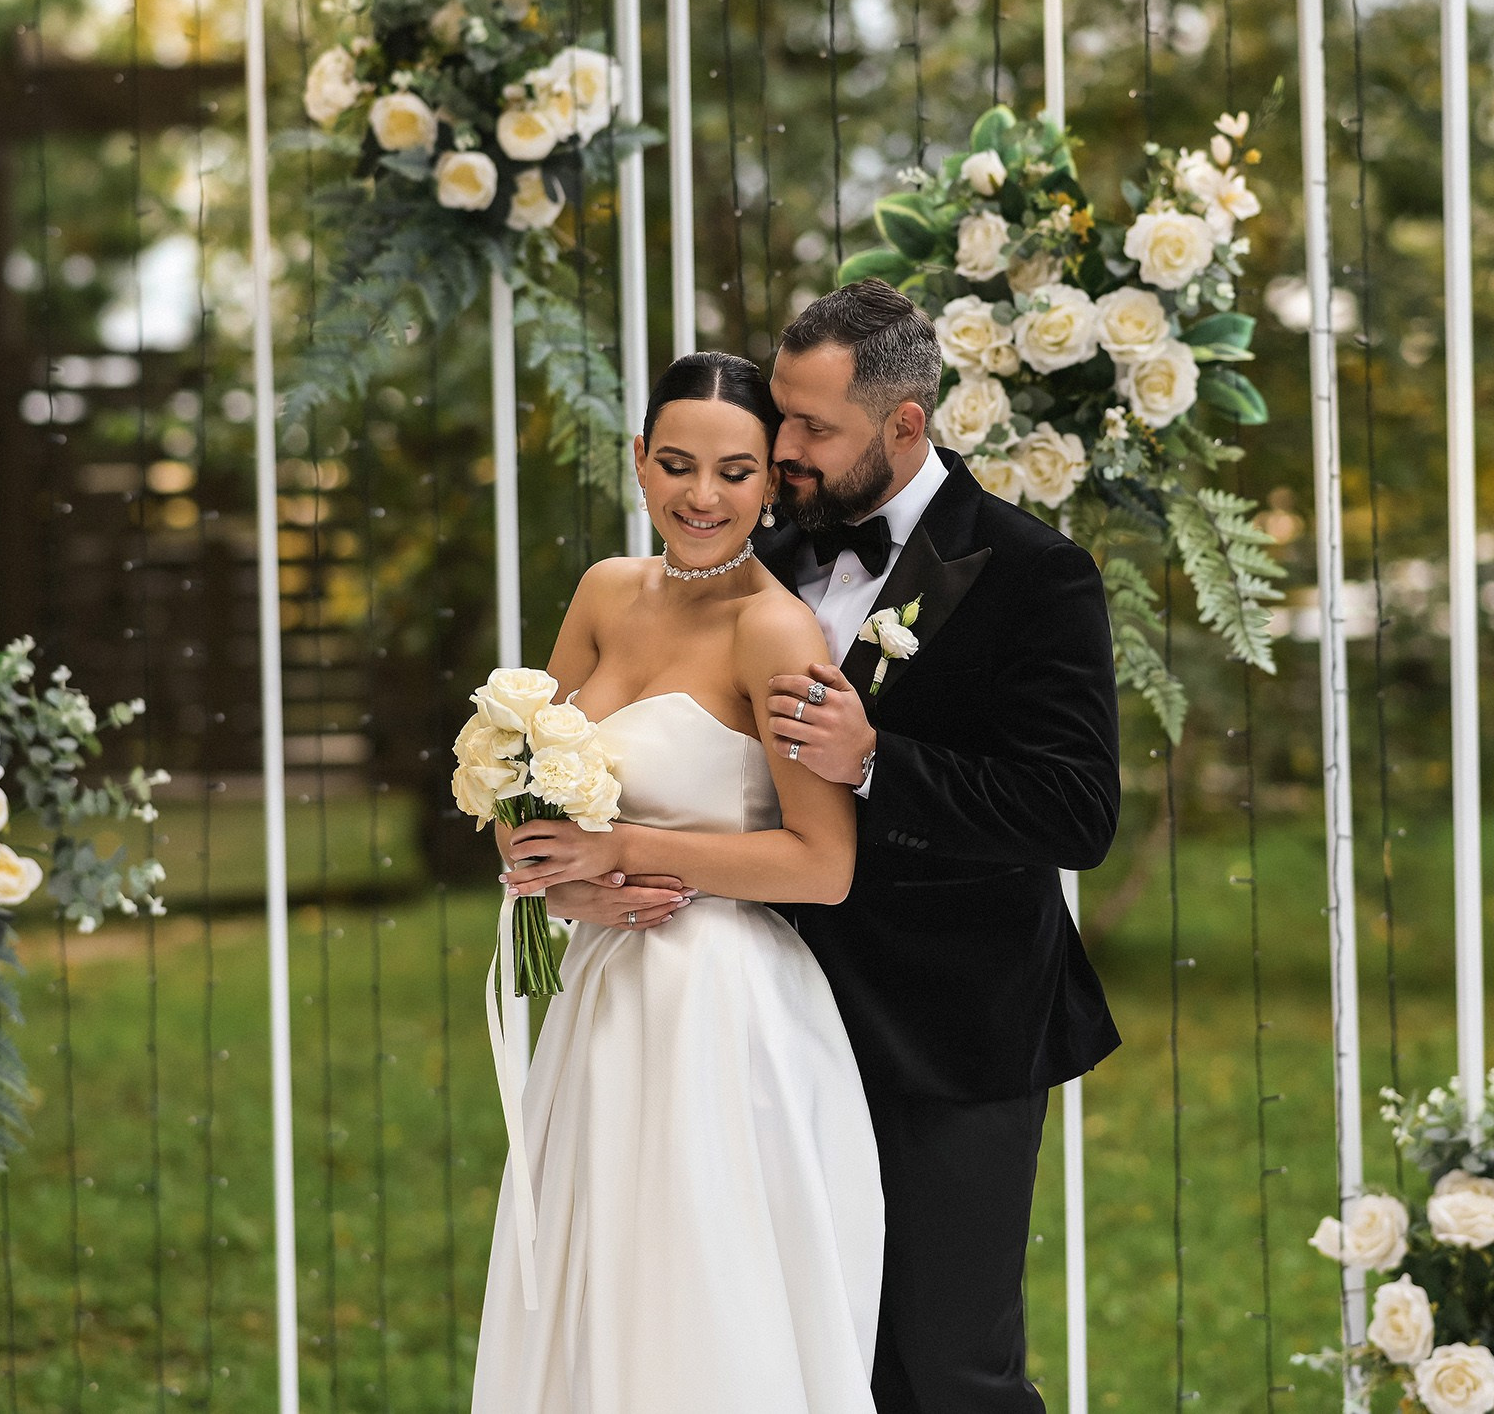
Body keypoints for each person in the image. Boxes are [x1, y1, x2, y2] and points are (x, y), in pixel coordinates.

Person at [553, 279, 1124, 1414]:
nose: (784, 446)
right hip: (757, 1029)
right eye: (782, 418)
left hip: (946, 1031)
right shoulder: (758, 544)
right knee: (803, 1358)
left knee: (945, 1367)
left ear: (903, 425)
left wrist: (876, 762)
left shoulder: (1031, 574)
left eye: (811, 426)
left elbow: (1074, 812)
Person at [473, 350, 885, 1414]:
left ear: (771, 481)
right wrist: (560, 884)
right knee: (592, 1289)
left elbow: (823, 865)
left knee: (697, 1301)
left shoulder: (775, 629)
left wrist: (625, 853)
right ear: (640, 464)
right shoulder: (606, 593)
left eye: (736, 472)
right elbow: (522, 792)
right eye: (677, 464)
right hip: (602, 994)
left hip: (720, 1009)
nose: (702, 496)